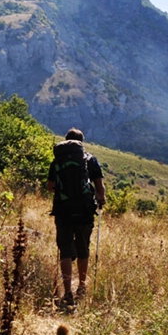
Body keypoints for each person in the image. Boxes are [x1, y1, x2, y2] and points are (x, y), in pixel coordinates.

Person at [46, 128, 106, 306]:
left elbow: (50, 186)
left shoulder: (57, 161)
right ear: (82, 143)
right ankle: (81, 286)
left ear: (65, 141)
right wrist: (100, 199)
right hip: (84, 210)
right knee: (83, 247)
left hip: (63, 210)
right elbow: (100, 187)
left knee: (65, 249)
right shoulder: (90, 160)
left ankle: (67, 291)